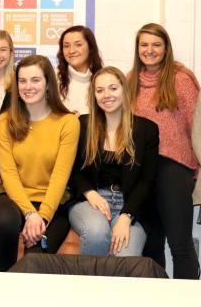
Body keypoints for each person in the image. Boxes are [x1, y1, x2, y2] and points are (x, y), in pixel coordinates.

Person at [0, 55, 80, 272]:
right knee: (3, 223)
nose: (28, 87)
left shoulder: (68, 123)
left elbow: (60, 176)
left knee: (35, 259)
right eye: (22, 81)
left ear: (48, 83)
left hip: (53, 204)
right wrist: (30, 214)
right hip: (12, 198)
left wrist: (43, 217)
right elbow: (8, 174)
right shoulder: (3, 122)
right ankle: (4, 285)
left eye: (35, 80)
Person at [127, 23, 200, 279]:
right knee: (151, 245)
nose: (150, 50)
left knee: (179, 245)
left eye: (156, 44)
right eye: (144, 44)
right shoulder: (129, 80)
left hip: (174, 168)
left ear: (166, 48)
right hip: (141, 172)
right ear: (137, 49)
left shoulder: (181, 79)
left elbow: (198, 126)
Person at [68, 66, 159, 257]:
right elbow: (72, 170)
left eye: (113, 88)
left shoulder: (147, 130)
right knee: (96, 233)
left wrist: (126, 217)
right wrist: (89, 192)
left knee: (125, 253)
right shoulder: (83, 124)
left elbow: (147, 181)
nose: (106, 95)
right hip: (90, 201)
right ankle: (92, 286)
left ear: (124, 90)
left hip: (130, 205)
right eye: (99, 90)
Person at [56, 25, 103, 115]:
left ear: (90, 47)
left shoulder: (104, 78)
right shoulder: (53, 78)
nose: (71, 51)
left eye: (78, 45)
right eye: (66, 46)